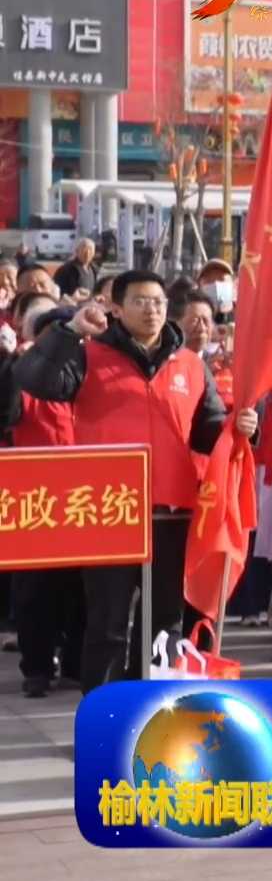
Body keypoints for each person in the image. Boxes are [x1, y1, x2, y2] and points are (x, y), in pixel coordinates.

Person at [9, 271, 251, 689]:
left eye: (157, 301)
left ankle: (153, 710)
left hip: (173, 511)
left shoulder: (190, 365)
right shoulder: (88, 355)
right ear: (117, 309)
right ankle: (104, 713)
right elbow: (34, 380)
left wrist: (239, 428)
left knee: (164, 625)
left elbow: (206, 429)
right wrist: (68, 331)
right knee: (108, 623)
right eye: (139, 301)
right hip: (111, 512)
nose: (151, 310)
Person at [6, 298, 81, 697]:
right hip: (35, 503)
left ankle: (74, 663)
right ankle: (36, 666)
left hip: (86, 501)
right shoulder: (21, 379)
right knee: (34, 591)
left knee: (81, 589)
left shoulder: (88, 380)